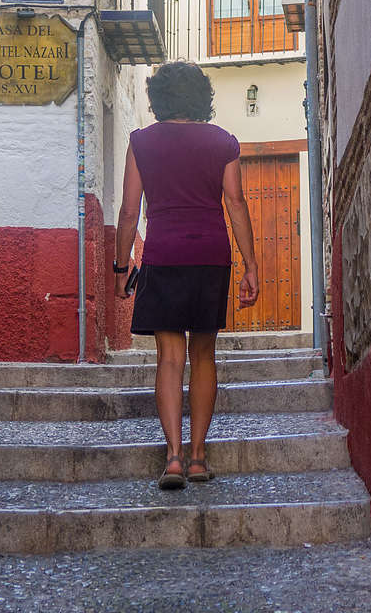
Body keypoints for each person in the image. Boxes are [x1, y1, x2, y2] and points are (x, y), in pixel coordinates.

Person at [113, 61, 259, 489]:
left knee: (170, 359)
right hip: (211, 256)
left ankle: (172, 458)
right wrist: (250, 265)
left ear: (158, 99)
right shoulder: (222, 142)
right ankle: (198, 457)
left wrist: (122, 268)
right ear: (202, 98)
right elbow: (236, 204)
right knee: (204, 356)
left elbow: (127, 212)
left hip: (163, 254)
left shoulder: (141, 142)